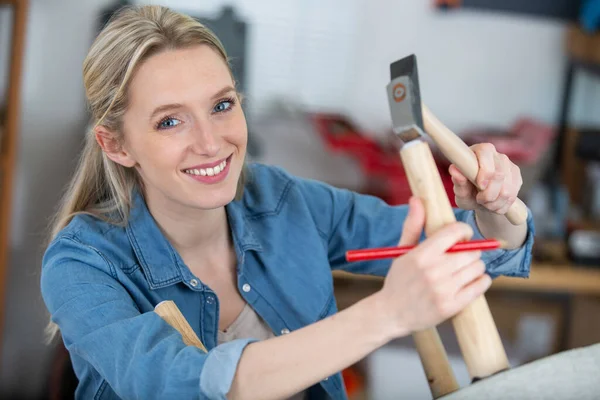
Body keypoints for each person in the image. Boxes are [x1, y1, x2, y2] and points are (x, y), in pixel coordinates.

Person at [40, 5, 534, 400]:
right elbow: (178, 384)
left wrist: (495, 205)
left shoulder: (282, 202)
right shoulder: (82, 264)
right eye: (171, 121)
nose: (212, 143)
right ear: (116, 145)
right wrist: (387, 314)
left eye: (221, 105)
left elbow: (473, 249)